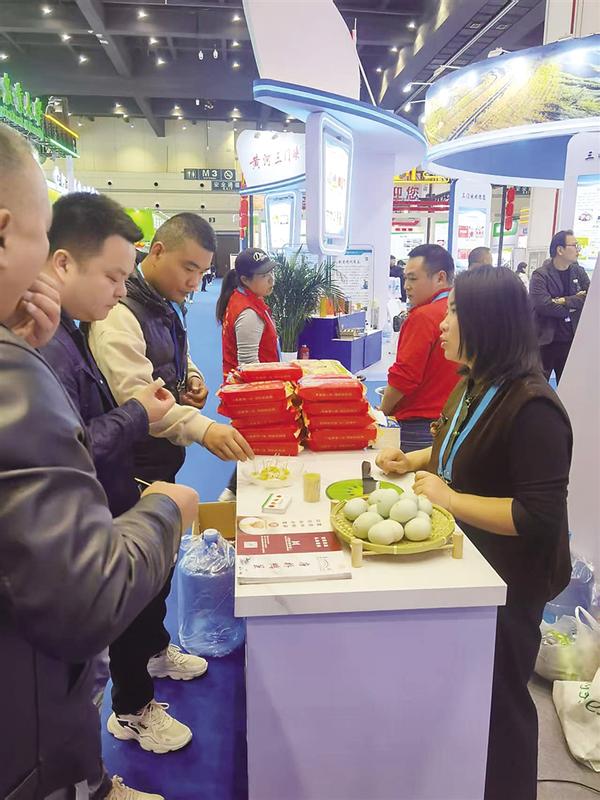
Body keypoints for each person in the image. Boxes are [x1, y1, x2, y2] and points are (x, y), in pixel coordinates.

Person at [0, 126, 199, 799]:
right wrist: (161, 510)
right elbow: (86, 594)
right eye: (112, 275)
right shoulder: (25, 364)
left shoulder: (50, 338)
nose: (119, 288)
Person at [377, 266, 572, 800]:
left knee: (502, 701)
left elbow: (538, 516)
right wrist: (414, 459)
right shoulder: (474, 383)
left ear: (488, 320)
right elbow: (460, 444)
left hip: (512, 580)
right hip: (472, 564)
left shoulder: (533, 407)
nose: (442, 322)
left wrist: (448, 498)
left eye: (455, 310)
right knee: (469, 695)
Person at [40, 193, 209, 769]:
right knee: (116, 616)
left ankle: (146, 668)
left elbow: (161, 372)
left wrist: (182, 386)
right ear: (59, 261)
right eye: (112, 275)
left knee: (150, 587)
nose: (119, 288)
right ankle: (131, 710)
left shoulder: (71, 329)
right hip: (102, 498)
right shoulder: (40, 346)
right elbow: (73, 445)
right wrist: (144, 414)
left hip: (123, 483)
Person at [88, 212, 254, 484]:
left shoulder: (163, 299)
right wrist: (203, 429)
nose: (195, 282)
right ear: (157, 251)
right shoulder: (118, 314)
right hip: (131, 470)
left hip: (159, 457)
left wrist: (191, 376)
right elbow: (136, 402)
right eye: (188, 269)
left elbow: (175, 347)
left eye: (202, 272)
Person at [380, 244, 460, 452]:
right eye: (405, 278)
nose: (406, 286)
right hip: (454, 420)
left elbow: (405, 376)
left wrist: (381, 413)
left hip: (418, 426)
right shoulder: (464, 311)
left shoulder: (423, 317)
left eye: (413, 279)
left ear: (440, 277)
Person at [216, 248, 279, 501]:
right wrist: (269, 400)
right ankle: (231, 495)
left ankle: (233, 494)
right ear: (245, 279)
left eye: (271, 272)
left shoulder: (244, 300)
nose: (271, 279)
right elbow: (249, 366)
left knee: (254, 446)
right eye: (264, 275)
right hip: (253, 394)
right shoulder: (248, 313)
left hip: (249, 391)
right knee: (258, 445)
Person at [529, 230, 590, 383]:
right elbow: (544, 306)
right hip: (545, 342)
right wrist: (574, 305)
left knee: (570, 387)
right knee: (538, 387)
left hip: (571, 341)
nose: (578, 250)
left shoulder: (579, 272)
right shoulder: (540, 275)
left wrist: (563, 301)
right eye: (574, 245)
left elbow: (590, 298)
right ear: (560, 250)